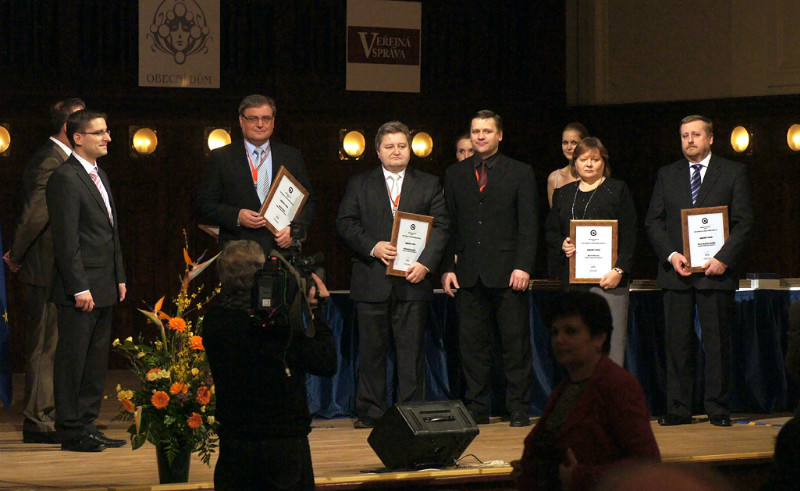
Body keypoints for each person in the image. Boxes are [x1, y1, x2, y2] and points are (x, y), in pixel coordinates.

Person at [336, 121, 450, 428]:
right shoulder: (359, 183)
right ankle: (371, 412)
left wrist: (425, 263)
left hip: (413, 281)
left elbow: (441, 227)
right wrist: (372, 247)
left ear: (409, 150)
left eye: (402, 146)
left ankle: (411, 413)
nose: (396, 151)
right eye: (389, 146)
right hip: (371, 280)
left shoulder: (429, 183)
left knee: (411, 355)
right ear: (378, 151)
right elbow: (345, 223)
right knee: (371, 353)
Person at [645, 115, 753, 427]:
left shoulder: (733, 172)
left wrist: (723, 259)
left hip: (716, 272)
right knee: (677, 344)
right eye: (684, 136)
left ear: (710, 138)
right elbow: (654, 221)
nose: (689, 140)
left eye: (695, 134)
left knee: (716, 344)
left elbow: (744, 222)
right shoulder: (667, 174)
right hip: (676, 273)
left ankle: (717, 408)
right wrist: (671, 255)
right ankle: (679, 408)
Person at [204, 240, 337, 490]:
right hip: (283, 446)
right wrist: (315, 312)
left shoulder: (214, 321)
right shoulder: (280, 326)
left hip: (234, 447)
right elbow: (326, 363)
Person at [441, 110, 538, 427]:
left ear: (500, 135)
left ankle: (518, 406)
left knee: (515, 345)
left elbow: (528, 224)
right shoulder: (455, 173)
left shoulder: (520, 172)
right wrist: (447, 267)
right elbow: (448, 225)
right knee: (472, 346)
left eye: (486, 131)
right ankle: (477, 406)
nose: (480, 136)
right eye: (475, 131)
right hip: (468, 273)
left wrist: (523, 265)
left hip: (509, 273)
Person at [513, 291, 661, 490]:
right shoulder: (566, 387)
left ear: (599, 338)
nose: (559, 340)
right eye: (554, 332)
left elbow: (647, 466)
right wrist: (529, 471)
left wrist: (580, 477)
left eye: (571, 331)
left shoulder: (618, 386)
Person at [3, 97, 84, 444]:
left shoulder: (65, 159)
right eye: (84, 122)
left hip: (59, 268)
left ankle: (53, 412)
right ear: (68, 128)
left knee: (57, 343)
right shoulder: (50, 160)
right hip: (44, 268)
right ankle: (38, 419)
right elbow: (34, 215)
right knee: (44, 344)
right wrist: (16, 255)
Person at [46, 109, 127, 452]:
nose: (107, 137)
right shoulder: (65, 177)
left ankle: (88, 424)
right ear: (78, 138)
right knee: (73, 361)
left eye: (107, 131)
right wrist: (79, 286)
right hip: (81, 288)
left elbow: (110, 232)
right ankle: (70, 429)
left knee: (95, 362)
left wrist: (119, 276)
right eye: (99, 132)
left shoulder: (100, 175)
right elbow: (67, 240)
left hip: (105, 283)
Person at [545, 137, 636, 365]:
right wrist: (562, 243)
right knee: (575, 348)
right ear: (575, 162)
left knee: (609, 349)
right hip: (574, 282)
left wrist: (619, 269)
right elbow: (550, 231)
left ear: (603, 162)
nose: (589, 164)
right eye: (583, 159)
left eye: (595, 160)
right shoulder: (563, 193)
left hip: (609, 281)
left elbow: (631, 234)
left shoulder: (617, 190)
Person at [197, 94, 316, 254]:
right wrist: (237, 216)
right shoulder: (222, 157)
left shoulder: (291, 156)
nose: (260, 124)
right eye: (253, 119)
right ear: (241, 121)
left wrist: (293, 230)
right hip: (238, 255)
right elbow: (204, 205)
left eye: (266, 119)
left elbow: (308, 202)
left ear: (273, 122)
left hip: (280, 252)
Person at [546, 122, 587, 208]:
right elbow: (554, 213)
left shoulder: (592, 175)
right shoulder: (554, 178)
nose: (569, 147)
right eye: (565, 142)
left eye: (574, 142)